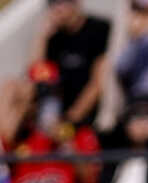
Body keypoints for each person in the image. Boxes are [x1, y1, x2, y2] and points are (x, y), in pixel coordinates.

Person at [32, 0, 113, 129]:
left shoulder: (99, 29)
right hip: (54, 109)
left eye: (61, 2)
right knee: (9, 88)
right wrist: (42, 37)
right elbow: (37, 76)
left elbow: (98, 82)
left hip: (84, 113)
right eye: (52, 3)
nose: (57, 8)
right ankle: (1, 145)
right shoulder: (54, 37)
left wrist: (71, 118)